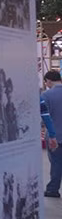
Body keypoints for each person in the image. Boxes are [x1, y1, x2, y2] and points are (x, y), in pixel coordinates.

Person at [42, 70, 62, 198]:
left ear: (49, 80)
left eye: (46, 82)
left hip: (55, 137)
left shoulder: (46, 95)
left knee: (56, 163)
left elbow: (43, 116)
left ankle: (52, 190)